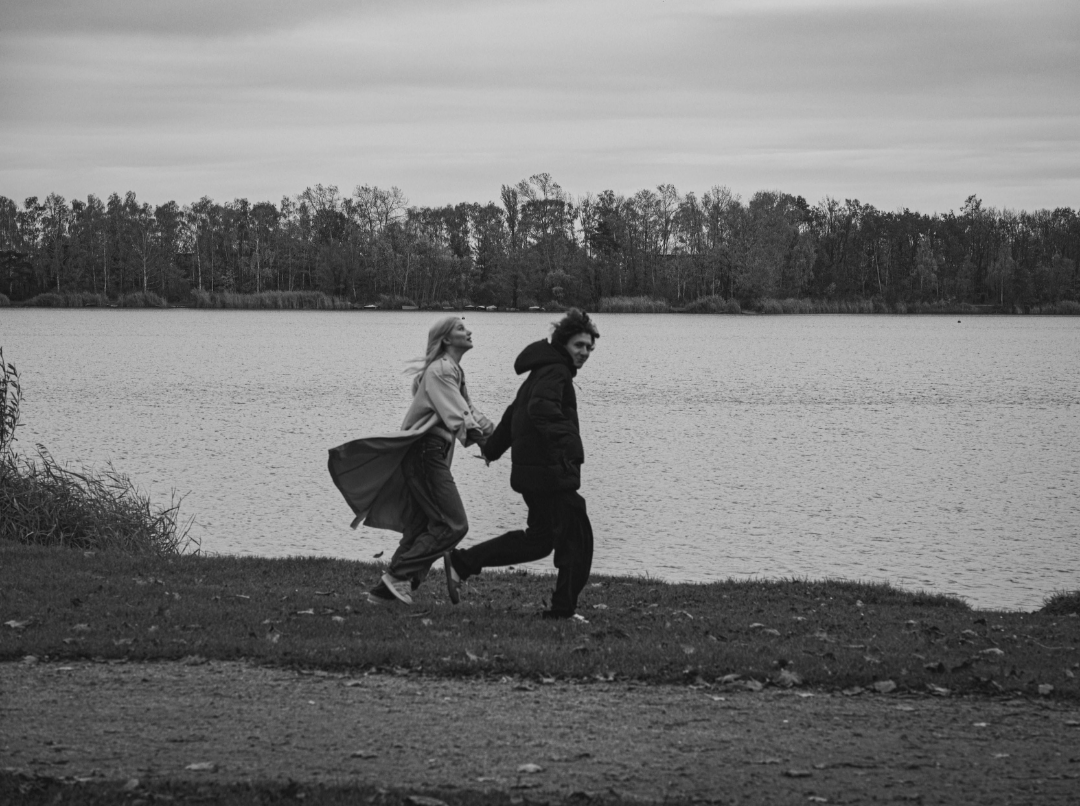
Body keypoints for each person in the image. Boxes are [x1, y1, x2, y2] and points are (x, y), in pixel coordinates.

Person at [443, 308, 599, 619]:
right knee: (577, 538)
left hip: (537, 473)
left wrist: (493, 449)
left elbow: (516, 412)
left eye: (589, 348)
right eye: (579, 345)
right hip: (550, 473)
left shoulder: (543, 370)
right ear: (563, 343)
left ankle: (462, 562)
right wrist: (571, 445)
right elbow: (540, 409)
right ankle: (562, 611)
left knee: (540, 541)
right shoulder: (556, 371)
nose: (584, 352)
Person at [327, 316, 493, 605]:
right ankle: (398, 575)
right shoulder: (441, 370)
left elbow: (470, 411)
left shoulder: (451, 370)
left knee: (421, 526)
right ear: (446, 339)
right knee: (453, 524)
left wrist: (499, 436)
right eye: (461, 328)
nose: (469, 331)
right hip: (425, 454)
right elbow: (460, 415)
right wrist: (483, 439)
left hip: (427, 454)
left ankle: (383, 593)